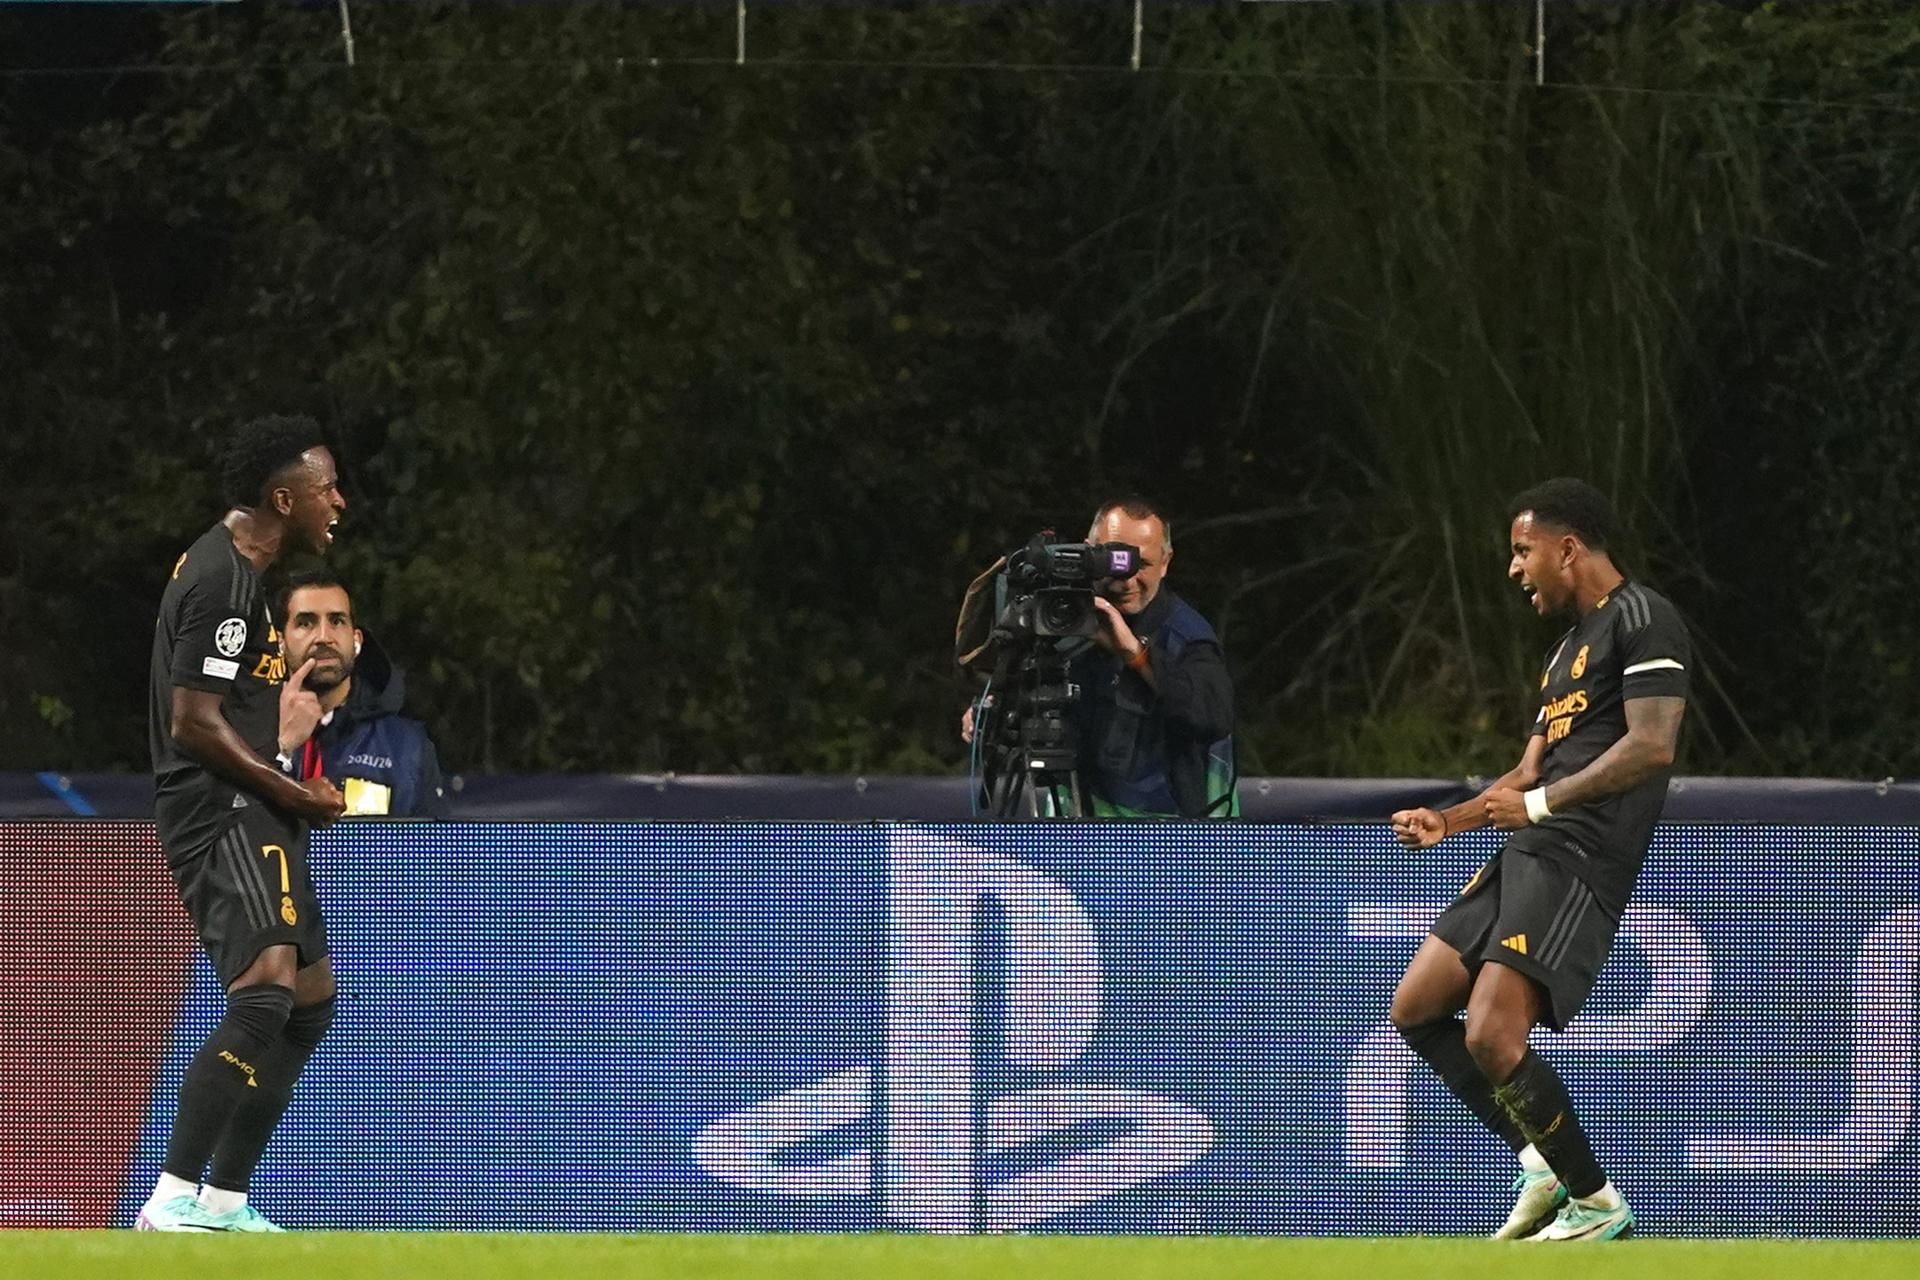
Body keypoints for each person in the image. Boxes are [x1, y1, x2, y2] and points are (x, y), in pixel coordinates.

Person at [1387, 477, 1690, 1242]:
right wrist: (1447, 821)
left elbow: (1652, 746)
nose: (1515, 569)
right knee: (1417, 1006)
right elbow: (1526, 776)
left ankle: (1595, 1203)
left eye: (1523, 552)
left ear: (1568, 547)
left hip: (1580, 856)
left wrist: (1544, 806)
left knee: (1492, 1034)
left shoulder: (1646, 619)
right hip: (1530, 843)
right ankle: (1542, 1162)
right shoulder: (1563, 653)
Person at [140, 415, 349, 1232]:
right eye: (326, 487)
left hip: (252, 801)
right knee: (265, 987)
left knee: (308, 997)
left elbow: (227, 707)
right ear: (281, 495)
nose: (337, 501)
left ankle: (223, 1201)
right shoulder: (223, 576)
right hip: (220, 807)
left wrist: (279, 746)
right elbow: (191, 723)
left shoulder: (242, 575)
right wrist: (292, 791)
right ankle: (168, 1201)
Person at [961, 495, 1236, 818]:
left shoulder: (1185, 635)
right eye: (1114, 561)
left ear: (1166, 561)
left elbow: (1213, 716)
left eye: (1142, 565)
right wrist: (991, 713)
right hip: (1071, 826)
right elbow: (1029, 697)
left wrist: (1134, 652)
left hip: (1164, 838)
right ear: (1088, 551)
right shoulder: (1062, 618)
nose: (1126, 580)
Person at [276, 568, 449, 819]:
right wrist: (282, 750)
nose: (323, 637)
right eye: (306, 623)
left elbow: (432, 853)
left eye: (336, 621)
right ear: (280, 643)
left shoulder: (407, 746)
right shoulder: (241, 733)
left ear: (356, 640)